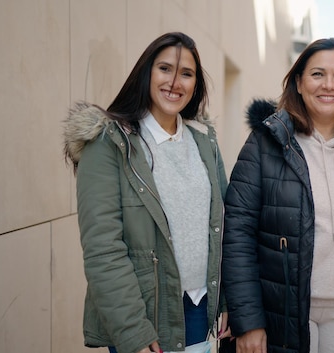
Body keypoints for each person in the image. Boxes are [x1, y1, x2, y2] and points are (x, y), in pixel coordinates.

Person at [221, 38, 334, 353]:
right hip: (283, 312)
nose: (329, 85)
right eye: (318, 74)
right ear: (299, 81)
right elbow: (237, 235)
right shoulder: (265, 144)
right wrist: (248, 321)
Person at [63, 32, 229, 353]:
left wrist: (227, 299)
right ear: (146, 73)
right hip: (146, 315)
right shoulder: (109, 143)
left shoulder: (204, 140)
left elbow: (225, 226)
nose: (175, 82)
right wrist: (133, 332)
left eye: (187, 73)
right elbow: (103, 249)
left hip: (201, 307)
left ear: (196, 84)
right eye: (165, 68)